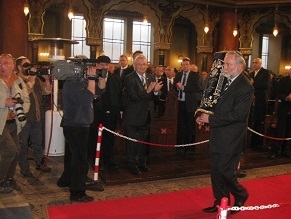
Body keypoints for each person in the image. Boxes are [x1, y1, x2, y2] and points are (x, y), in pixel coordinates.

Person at [196, 51, 254, 214]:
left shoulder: (246, 87)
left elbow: (238, 115)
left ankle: (241, 194)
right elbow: (213, 105)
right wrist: (203, 116)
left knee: (225, 171)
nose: (225, 67)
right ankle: (221, 201)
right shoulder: (222, 81)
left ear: (240, 66)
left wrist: (210, 120)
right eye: (224, 64)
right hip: (218, 134)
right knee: (215, 171)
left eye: (228, 64)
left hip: (231, 137)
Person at [57, 63, 106, 202]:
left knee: (72, 156)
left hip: (79, 124)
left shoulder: (81, 82)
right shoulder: (72, 83)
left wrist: (101, 78)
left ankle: (66, 180)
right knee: (80, 160)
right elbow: (86, 100)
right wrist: (91, 79)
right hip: (76, 125)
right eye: (88, 68)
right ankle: (77, 192)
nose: (91, 70)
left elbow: (99, 92)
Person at [123, 54, 163, 175]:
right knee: (132, 143)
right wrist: (148, 91)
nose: (142, 66)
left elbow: (156, 95)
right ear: (134, 65)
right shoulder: (129, 78)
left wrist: (156, 92)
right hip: (133, 116)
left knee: (143, 142)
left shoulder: (151, 76)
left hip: (147, 115)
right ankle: (132, 164)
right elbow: (134, 97)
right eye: (139, 64)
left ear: (147, 65)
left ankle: (142, 163)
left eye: (144, 64)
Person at [15, 56, 52, 178]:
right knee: (23, 144)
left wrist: (46, 79)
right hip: (24, 119)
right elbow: (23, 95)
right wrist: (31, 80)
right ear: (19, 67)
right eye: (26, 65)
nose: (29, 67)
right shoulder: (16, 80)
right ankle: (24, 168)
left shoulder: (34, 80)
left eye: (29, 65)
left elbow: (47, 91)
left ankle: (39, 162)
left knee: (38, 142)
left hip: (37, 117)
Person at [0, 53, 30, 193]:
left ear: (13, 66)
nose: (2, 66)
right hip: (1, 124)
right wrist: (3, 103)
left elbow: (26, 100)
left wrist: (19, 110)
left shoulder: (18, 81)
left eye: (6, 63)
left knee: (16, 152)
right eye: (0, 63)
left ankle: (9, 180)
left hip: (14, 123)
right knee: (10, 150)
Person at [89, 55, 121, 172]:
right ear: (97, 65)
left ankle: (109, 161)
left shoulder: (115, 78)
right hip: (96, 114)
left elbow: (118, 97)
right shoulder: (92, 78)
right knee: (95, 138)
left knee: (109, 139)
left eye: (106, 65)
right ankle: (95, 161)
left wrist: (118, 114)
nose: (104, 67)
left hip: (111, 114)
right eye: (102, 64)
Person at [174, 58, 202, 153]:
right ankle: (180, 144)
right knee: (180, 125)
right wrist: (177, 87)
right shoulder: (178, 74)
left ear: (190, 65)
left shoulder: (195, 75)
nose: (185, 66)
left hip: (190, 104)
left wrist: (184, 88)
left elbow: (198, 87)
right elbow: (175, 86)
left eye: (187, 64)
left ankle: (188, 145)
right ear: (181, 66)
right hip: (179, 103)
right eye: (183, 64)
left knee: (189, 125)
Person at [249, 58, 271, 151]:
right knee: (251, 120)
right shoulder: (251, 73)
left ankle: (258, 142)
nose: (254, 64)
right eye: (253, 62)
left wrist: (253, 83)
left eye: (256, 62)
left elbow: (265, 85)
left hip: (261, 100)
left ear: (261, 63)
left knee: (259, 121)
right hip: (252, 100)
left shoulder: (266, 73)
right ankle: (251, 141)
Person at [269, 68, 291, 159]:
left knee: (289, 132)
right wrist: (286, 97)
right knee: (279, 131)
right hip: (284, 109)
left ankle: (286, 150)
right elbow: (277, 93)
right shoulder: (283, 80)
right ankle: (275, 151)